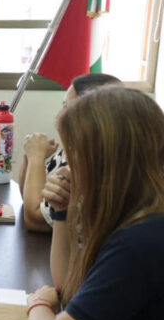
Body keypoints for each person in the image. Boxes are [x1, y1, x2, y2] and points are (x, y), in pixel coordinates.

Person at [26, 86, 164, 320]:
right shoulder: (141, 214)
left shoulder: (140, 241)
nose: (69, 170)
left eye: (76, 158)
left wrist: (38, 305)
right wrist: (63, 212)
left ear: (106, 162)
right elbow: (71, 289)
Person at [18, 73, 121, 232]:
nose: (59, 115)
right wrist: (29, 157)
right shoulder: (69, 151)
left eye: (67, 108)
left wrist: (36, 157)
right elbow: (28, 198)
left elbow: (35, 217)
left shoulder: (88, 163)